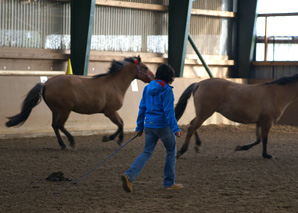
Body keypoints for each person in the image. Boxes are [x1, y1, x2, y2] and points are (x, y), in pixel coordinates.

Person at [121, 63, 183, 193]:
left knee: (146, 152)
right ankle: (169, 183)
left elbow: (142, 107)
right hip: (163, 126)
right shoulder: (166, 90)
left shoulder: (148, 88)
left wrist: (139, 126)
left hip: (149, 125)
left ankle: (129, 175)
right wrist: (176, 129)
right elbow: (169, 112)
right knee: (171, 151)